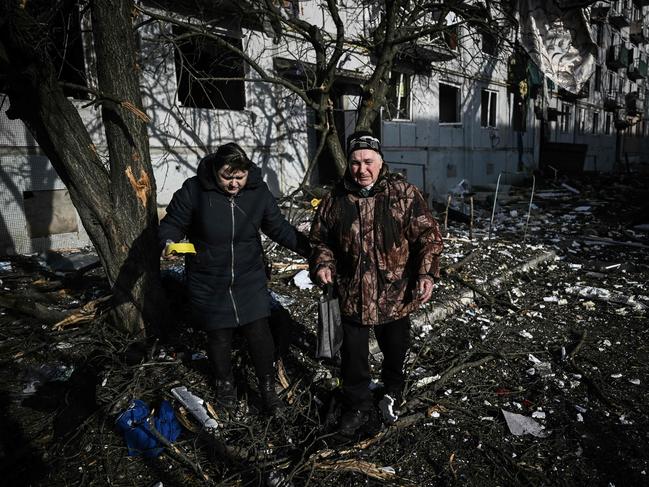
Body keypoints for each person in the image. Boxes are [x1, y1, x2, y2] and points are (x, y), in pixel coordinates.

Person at [159, 143, 310, 414]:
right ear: (215, 171)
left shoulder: (257, 192)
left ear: (247, 172)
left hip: (248, 276)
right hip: (208, 277)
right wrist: (169, 241)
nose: (233, 183)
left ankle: (267, 388)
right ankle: (225, 386)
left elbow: (278, 228)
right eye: (227, 176)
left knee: (259, 331)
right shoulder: (194, 190)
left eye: (239, 177)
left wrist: (310, 248)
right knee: (219, 335)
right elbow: (173, 222)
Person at [309, 131, 443, 434]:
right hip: (351, 293)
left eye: (368, 161)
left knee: (395, 350)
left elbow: (429, 237)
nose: (362, 169)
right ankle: (358, 403)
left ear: (380, 161)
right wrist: (324, 263)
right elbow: (320, 240)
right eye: (355, 162)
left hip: (394, 293)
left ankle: (392, 393)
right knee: (353, 356)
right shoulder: (335, 198)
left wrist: (425, 274)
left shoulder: (403, 193)